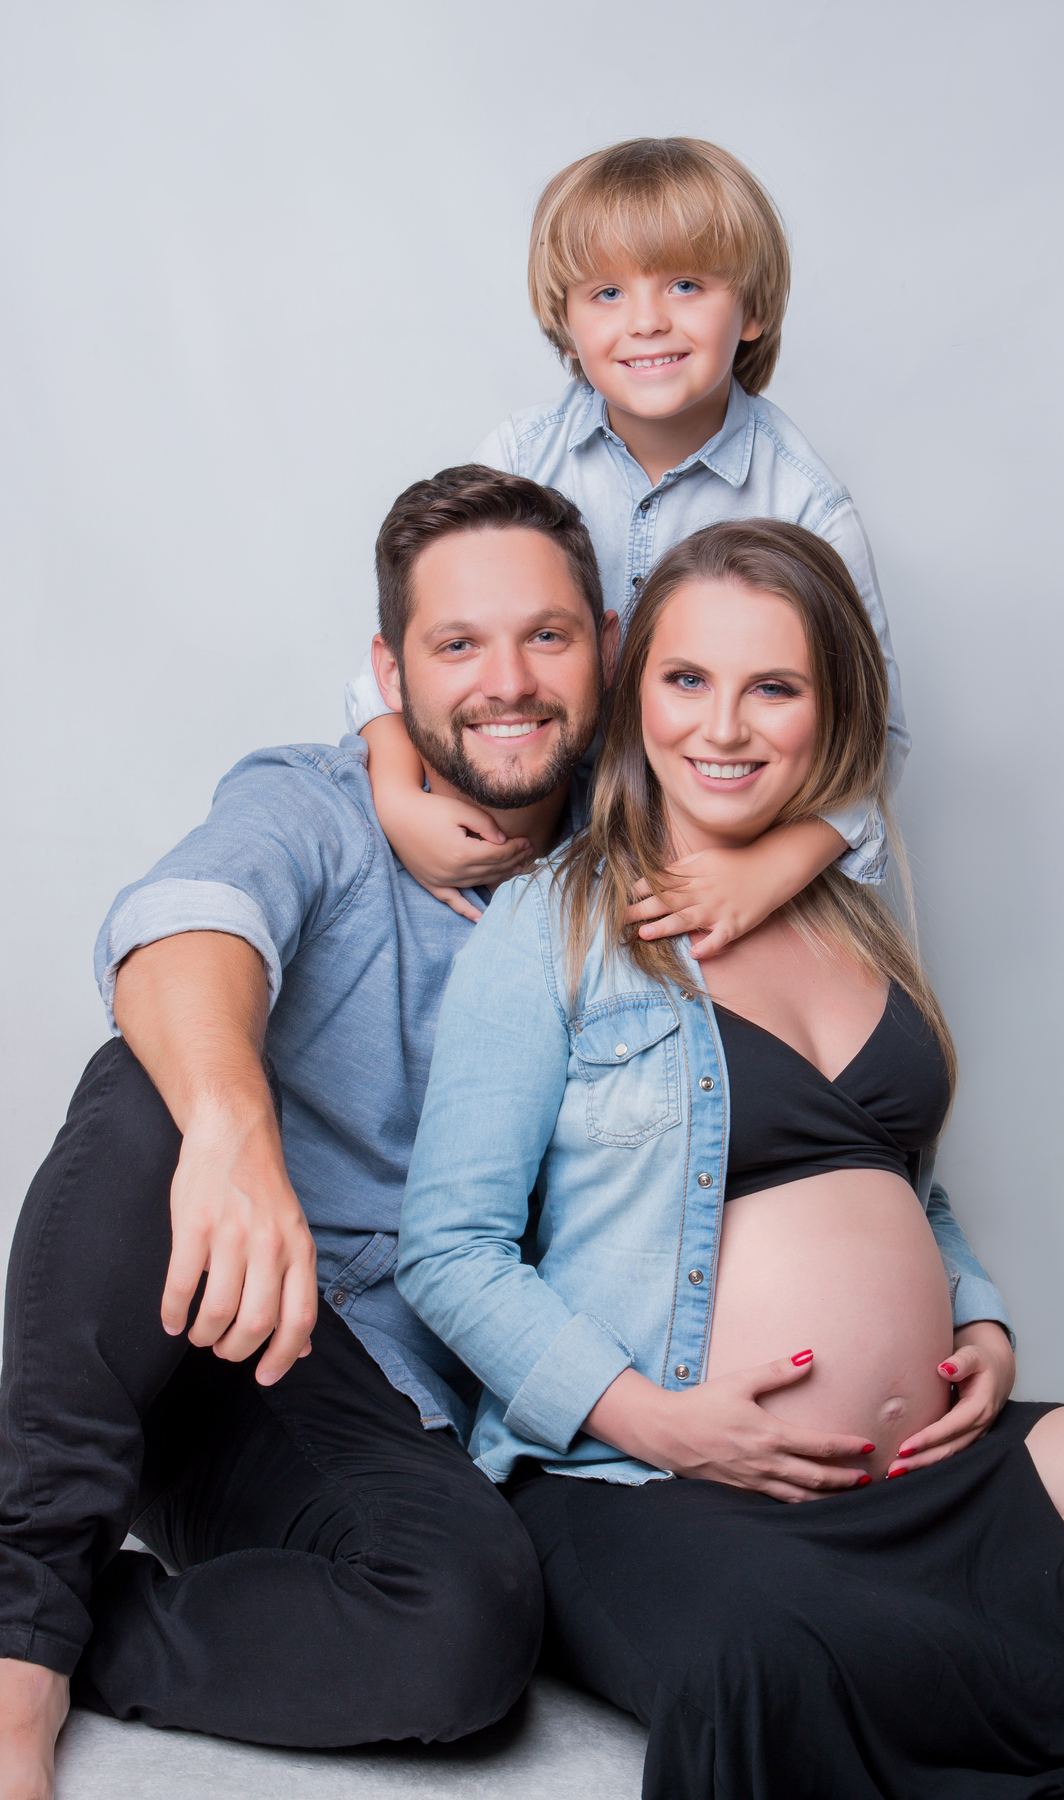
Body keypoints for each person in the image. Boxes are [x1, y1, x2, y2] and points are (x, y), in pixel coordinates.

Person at [396, 517, 1064, 1798]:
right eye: (687, 679)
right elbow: (449, 1251)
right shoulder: (554, 924)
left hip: (926, 1470)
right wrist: (657, 1420)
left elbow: (903, 1186)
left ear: (831, 710)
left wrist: (982, 1326)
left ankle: (957, 1660)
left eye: (773, 687)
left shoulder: (859, 925)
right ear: (636, 688)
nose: (723, 727)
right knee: (758, 1666)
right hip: (654, 1485)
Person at [0, 466, 622, 1800]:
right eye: (458, 645)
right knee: (159, 1078)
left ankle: (78, 1625)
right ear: (389, 674)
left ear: (606, 647)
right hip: (221, 1321)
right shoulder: (323, 803)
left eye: (547, 635)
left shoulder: (637, 875)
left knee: (465, 1627)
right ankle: (18, 1640)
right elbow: (183, 923)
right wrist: (238, 1132)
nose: (508, 681)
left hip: (395, 1401)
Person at [349, 137, 906, 950]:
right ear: (566, 323)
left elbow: (879, 735)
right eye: (607, 292)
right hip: (526, 818)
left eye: (686, 285)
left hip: (701, 855)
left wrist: (769, 869)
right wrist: (400, 800)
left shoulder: (805, 502)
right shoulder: (520, 456)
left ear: (752, 311)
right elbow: (418, 645)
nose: (647, 321)